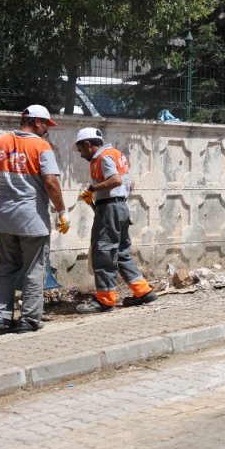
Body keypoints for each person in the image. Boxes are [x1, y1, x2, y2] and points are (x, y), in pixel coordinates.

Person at [0, 105, 68, 333]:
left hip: (5, 217)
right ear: (37, 122)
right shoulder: (41, 146)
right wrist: (62, 211)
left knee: (4, 267)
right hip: (32, 219)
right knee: (34, 269)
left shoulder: (0, 142)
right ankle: (29, 319)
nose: (46, 131)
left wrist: (12, 172)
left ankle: (1, 317)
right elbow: (51, 181)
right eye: (46, 126)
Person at [72, 127, 155, 313]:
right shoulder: (116, 153)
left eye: (81, 149)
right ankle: (142, 291)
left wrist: (93, 189)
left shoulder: (103, 157)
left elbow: (115, 180)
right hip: (118, 207)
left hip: (110, 207)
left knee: (104, 252)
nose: (81, 154)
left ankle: (105, 299)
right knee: (120, 252)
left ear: (87, 144)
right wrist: (95, 199)